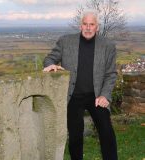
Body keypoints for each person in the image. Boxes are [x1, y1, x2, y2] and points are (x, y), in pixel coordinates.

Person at [43, 10, 118, 160]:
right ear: (80, 26)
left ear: (97, 27)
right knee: (75, 136)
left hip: (96, 96)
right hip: (73, 96)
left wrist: (105, 95)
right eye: (85, 24)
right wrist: (51, 65)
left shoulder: (108, 46)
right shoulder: (65, 41)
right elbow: (50, 58)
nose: (88, 27)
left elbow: (110, 74)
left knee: (107, 132)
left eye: (92, 24)